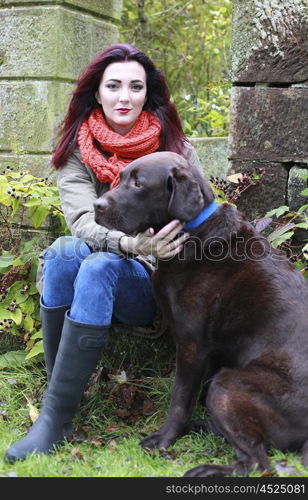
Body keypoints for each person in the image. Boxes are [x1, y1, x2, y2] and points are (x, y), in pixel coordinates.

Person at [5, 43, 203, 463]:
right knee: (62, 253)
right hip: (112, 259)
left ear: (147, 94)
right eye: (113, 86)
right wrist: (129, 243)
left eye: (135, 86)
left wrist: (144, 251)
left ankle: (55, 415)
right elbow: (82, 223)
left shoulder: (176, 150)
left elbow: (198, 215)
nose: (124, 96)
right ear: (97, 92)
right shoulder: (76, 153)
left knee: (99, 264)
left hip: (155, 281)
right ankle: (55, 415)